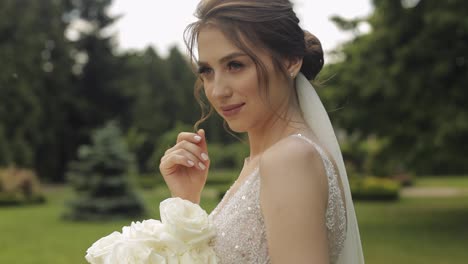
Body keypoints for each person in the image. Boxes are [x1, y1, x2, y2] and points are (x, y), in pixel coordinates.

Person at [159, 0, 365, 263]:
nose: (218, 90)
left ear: (290, 61)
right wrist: (187, 200)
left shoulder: (290, 160)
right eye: (207, 71)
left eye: (235, 65)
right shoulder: (270, 160)